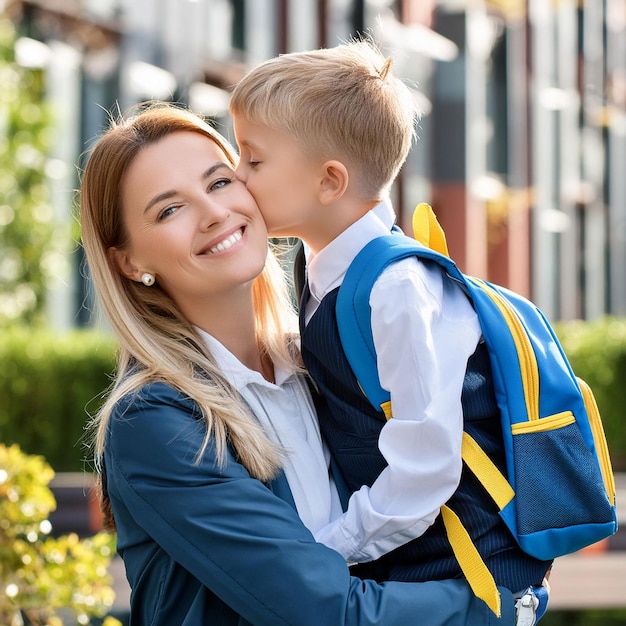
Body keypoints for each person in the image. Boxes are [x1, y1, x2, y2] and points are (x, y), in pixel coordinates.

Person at [79, 102, 518, 625]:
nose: (214, 212)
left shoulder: (322, 364)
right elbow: (326, 612)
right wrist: (504, 608)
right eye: (169, 210)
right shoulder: (156, 421)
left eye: (220, 182)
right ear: (130, 262)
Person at [230, 41, 551, 620]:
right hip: (406, 566)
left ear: (329, 181)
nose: (237, 176)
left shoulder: (397, 290)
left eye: (253, 161)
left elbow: (426, 467)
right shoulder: (322, 270)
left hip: (462, 576)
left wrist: (322, 554)